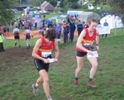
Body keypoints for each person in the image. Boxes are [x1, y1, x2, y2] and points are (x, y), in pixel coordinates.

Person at [32, 28, 59, 100]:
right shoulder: (40, 41)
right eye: (49, 40)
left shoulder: (54, 41)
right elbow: (33, 54)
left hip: (47, 60)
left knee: (42, 78)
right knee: (46, 79)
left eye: (52, 40)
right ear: (46, 36)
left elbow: (57, 50)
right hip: (39, 60)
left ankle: (35, 86)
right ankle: (49, 97)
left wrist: (56, 57)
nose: (50, 42)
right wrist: (43, 59)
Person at [74, 19, 99, 88]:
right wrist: (87, 51)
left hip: (90, 49)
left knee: (95, 64)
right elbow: (78, 45)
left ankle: (90, 81)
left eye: (95, 26)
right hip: (81, 49)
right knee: (80, 67)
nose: (94, 28)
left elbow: (97, 36)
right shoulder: (84, 32)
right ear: (89, 25)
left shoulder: (96, 31)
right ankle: (76, 78)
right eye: (92, 26)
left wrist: (97, 44)